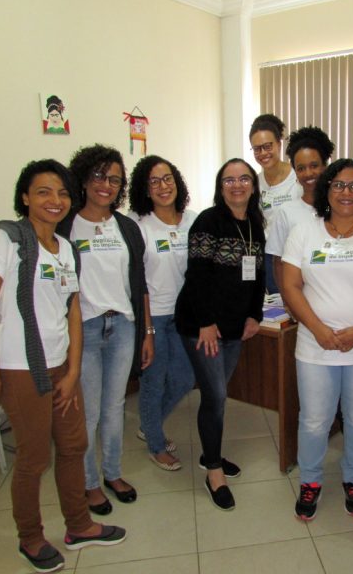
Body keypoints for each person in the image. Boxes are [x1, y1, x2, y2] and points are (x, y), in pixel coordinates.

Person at [0, 159, 125, 573]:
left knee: (73, 447)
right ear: (25, 197)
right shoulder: (5, 240)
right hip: (19, 369)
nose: (55, 200)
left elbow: (72, 310)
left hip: (59, 365)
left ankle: (79, 526)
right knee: (34, 458)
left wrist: (72, 372)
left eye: (62, 193)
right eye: (43, 191)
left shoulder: (65, 248)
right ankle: (31, 538)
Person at [281, 159, 353, 521]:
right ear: (326, 190)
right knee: (314, 420)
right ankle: (310, 481)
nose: (346, 192)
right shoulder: (304, 232)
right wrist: (318, 329)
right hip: (315, 344)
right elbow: (290, 285)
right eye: (338, 185)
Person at [61, 145, 153, 516]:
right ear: (83, 179)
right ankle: (88, 483)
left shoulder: (127, 227)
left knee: (115, 406)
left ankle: (113, 473)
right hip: (83, 328)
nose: (106, 184)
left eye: (114, 179)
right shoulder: (66, 225)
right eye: (99, 176)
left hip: (124, 327)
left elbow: (140, 284)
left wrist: (147, 332)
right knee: (88, 413)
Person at [175, 158, 266, 511]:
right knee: (215, 396)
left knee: (218, 395)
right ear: (220, 186)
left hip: (233, 326)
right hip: (203, 326)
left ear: (253, 186)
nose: (237, 185)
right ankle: (213, 469)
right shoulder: (208, 221)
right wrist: (205, 322)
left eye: (244, 179)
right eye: (229, 180)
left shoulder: (255, 223)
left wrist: (254, 315)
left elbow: (257, 275)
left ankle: (210, 453)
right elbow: (196, 275)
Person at [128, 155, 197, 471]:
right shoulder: (138, 225)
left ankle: (148, 423)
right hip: (153, 315)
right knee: (153, 382)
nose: (162, 186)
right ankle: (156, 444)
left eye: (167, 178)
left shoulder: (192, 220)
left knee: (185, 378)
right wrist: (146, 329)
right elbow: (137, 280)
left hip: (185, 314)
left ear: (176, 181)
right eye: (154, 181)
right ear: (145, 189)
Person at [266, 126, 334, 292]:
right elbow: (278, 263)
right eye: (301, 168)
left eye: (314, 165)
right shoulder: (286, 212)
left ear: (325, 166)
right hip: (299, 298)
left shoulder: (340, 210)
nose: (308, 173)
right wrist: (288, 301)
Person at [249, 113, 302, 293]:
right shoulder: (255, 183)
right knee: (277, 306)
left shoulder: (298, 177)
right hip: (270, 257)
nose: (263, 153)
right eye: (257, 149)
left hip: (297, 254)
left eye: (267, 146)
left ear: (279, 144)